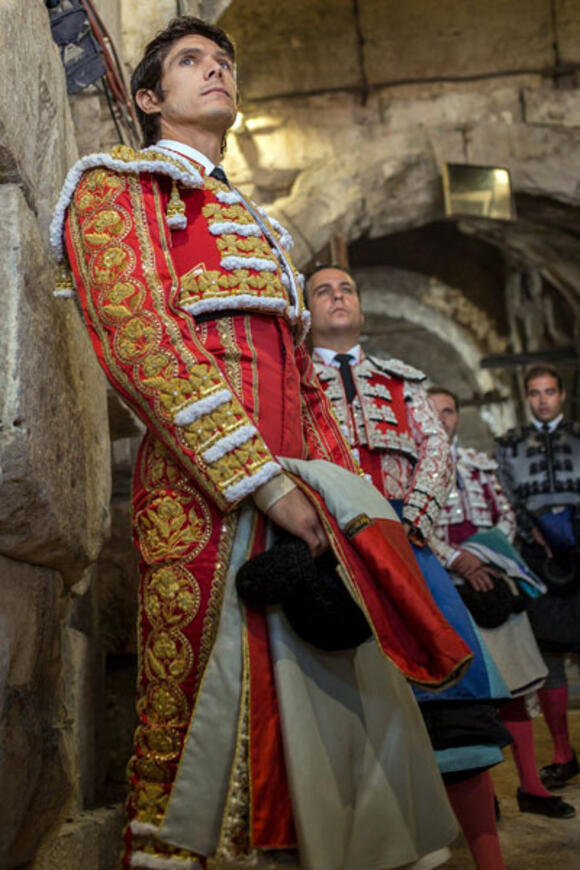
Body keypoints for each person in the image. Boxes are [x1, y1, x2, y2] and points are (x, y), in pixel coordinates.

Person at [50, 17, 468, 870]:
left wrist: (335, 500)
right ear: (147, 97)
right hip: (202, 496)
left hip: (298, 494)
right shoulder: (118, 186)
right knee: (201, 700)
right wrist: (257, 479)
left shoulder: (264, 231)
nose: (218, 73)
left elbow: (305, 382)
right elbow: (142, 340)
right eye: (194, 63)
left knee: (312, 694)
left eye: (225, 62)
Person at [308, 265, 513, 870]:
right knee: (348, 704)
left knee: (454, 699)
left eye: (346, 288)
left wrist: (414, 520)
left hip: (409, 543)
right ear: (307, 309)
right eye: (323, 289)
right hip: (333, 542)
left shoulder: (403, 381)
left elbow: (436, 449)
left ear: (361, 308)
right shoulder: (293, 380)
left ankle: (487, 858)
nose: (338, 295)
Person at [429, 386, 574, 819]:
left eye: (450, 411)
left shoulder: (478, 464)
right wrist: (456, 559)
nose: (443, 419)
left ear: (458, 416)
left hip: (492, 583)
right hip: (443, 587)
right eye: (432, 411)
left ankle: (531, 786)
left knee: (516, 689)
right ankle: (480, 795)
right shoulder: (413, 470)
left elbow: (506, 514)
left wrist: (484, 557)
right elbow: (410, 523)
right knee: (466, 700)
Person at [496, 364, 580, 793]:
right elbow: (506, 495)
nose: (543, 399)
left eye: (549, 391)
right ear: (526, 398)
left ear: (562, 395)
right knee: (549, 655)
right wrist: (533, 531)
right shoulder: (508, 445)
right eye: (535, 393)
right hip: (537, 557)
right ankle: (563, 754)